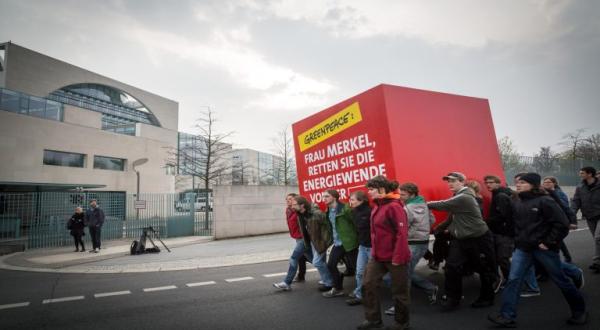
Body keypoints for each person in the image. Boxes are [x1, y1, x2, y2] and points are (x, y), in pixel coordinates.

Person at [488, 172, 587, 327]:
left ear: (533, 185)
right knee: (513, 280)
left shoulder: (545, 201)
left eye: (522, 182)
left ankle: (580, 311)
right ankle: (507, 316)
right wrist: (515, 239)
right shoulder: (516, 201)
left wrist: (548, 242)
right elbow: (514, 224)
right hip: (522, 248)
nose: (518, 184)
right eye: (517, 182)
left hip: (544, 249)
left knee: (560, 280)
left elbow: (561, 224)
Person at [427, 172, 497, 311]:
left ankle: (487, 298)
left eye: (453, 181)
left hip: (479, 238)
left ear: (462, 182)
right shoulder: (458, 196)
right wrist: (438, 230)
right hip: (460, 239)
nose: (450, 184)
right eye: (448, 181)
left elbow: (441, 205)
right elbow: (451, 218)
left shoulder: (464, 197)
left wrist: (419, 202)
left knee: (484, 269)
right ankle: (453, 299)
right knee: (451, 267)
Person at [357, 176, 410, 330]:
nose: (369, 192)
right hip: (378, 256)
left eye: (372, 189)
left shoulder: (394, 206)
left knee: (399, 291)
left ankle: (402, 323)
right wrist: (374, 253)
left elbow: (402, 233)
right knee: (368, 284)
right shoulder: (377, 206)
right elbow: (375, 233)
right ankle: (373, 319)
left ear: (382, 189)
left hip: (396, 256)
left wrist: (398, 257)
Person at [322, 189, 359, 298]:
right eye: (324, 197)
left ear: (334, 197)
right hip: (337, 243)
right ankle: (338, 289)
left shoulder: (345, 209)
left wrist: (357, 239)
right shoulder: (328, 211)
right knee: (331, 264)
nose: (324, 199)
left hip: (349, 242)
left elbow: (355, 223)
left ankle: (361, 291)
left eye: (326, 196)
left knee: (357, 267)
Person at [292, 196, 333, 291]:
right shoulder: (300, 213)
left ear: (302, 205)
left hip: (321, 241)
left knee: (317, 262)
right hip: (313, 241)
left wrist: (326, 240)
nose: (292, 206)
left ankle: (330, 282)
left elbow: (328, 226)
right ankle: (329, 279)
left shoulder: (316, 214)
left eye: (294, 205)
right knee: (321, 262)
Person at [483, 175, 515, 292]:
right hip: (499, 232)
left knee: (503, 259)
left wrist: (485, 221)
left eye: (491, 182)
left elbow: (504, 216)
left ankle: (512, 282)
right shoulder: (497, 194)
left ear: (498, 183)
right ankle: (506, 280)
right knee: (498, 258)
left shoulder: (500, 196)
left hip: (504, 234)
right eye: (486, 183)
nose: (488, 185)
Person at [273, 193, 310, 291]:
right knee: (314, 260)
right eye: (287, 199)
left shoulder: (298, 211)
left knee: (293, 258)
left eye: (290, 199)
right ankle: (331, 275)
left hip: (303, 238)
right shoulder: (288, 210)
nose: (288, 201)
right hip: (297, 238)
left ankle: (286, 282)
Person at [571, 166, 600, 273]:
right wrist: (572, 214)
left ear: (590, 174)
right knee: (597, 239)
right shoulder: (580, 187)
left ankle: (597, 262)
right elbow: (576, 201)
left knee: (598, 238)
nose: (580, 174)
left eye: (582, 173)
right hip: (590, 216)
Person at [346, 190, 372, 306]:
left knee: (385, 276)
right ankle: (359, 295)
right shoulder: (354, 212)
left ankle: (401, 294)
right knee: (360, 272)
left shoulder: (371, 212)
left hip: (372, 248)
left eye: (352, 199)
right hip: (362, 247)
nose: (350, 202)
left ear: (361, 200)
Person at [543, 176, 576, 263]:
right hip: (550, 220)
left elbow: (564, 206)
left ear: (554, 183)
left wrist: (572, 221)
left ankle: (563, 263)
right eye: (545, 182)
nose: (546, 184)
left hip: (561, 220)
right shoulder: (544, 193)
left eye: (548, 182)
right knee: (557, 240)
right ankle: (566, 258)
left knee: (556, 240)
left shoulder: (559, 193)